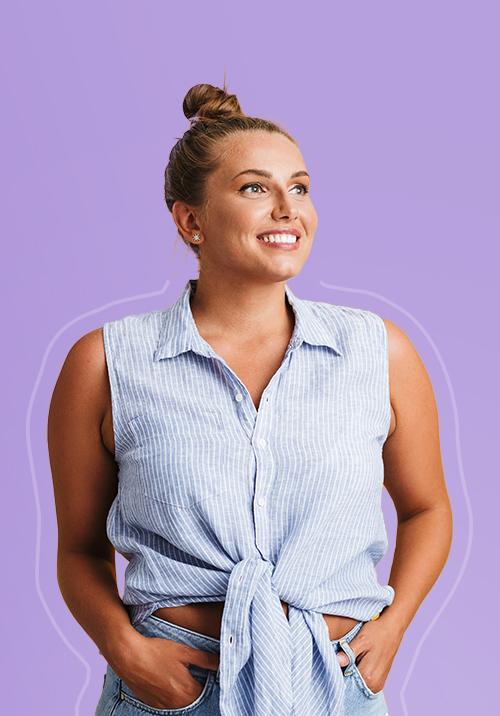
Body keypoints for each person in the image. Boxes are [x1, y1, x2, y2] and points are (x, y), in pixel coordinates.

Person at [48, 82, 453, 716]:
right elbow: (78, 550)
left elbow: (427, 508)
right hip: (172, 691)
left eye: (301, 187)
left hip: (335, 686)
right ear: (191, 221)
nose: (289, 209)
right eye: (255, 189)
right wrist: (126, 651)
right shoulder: (105, 364)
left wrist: (393, 627)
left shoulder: (380, 353)